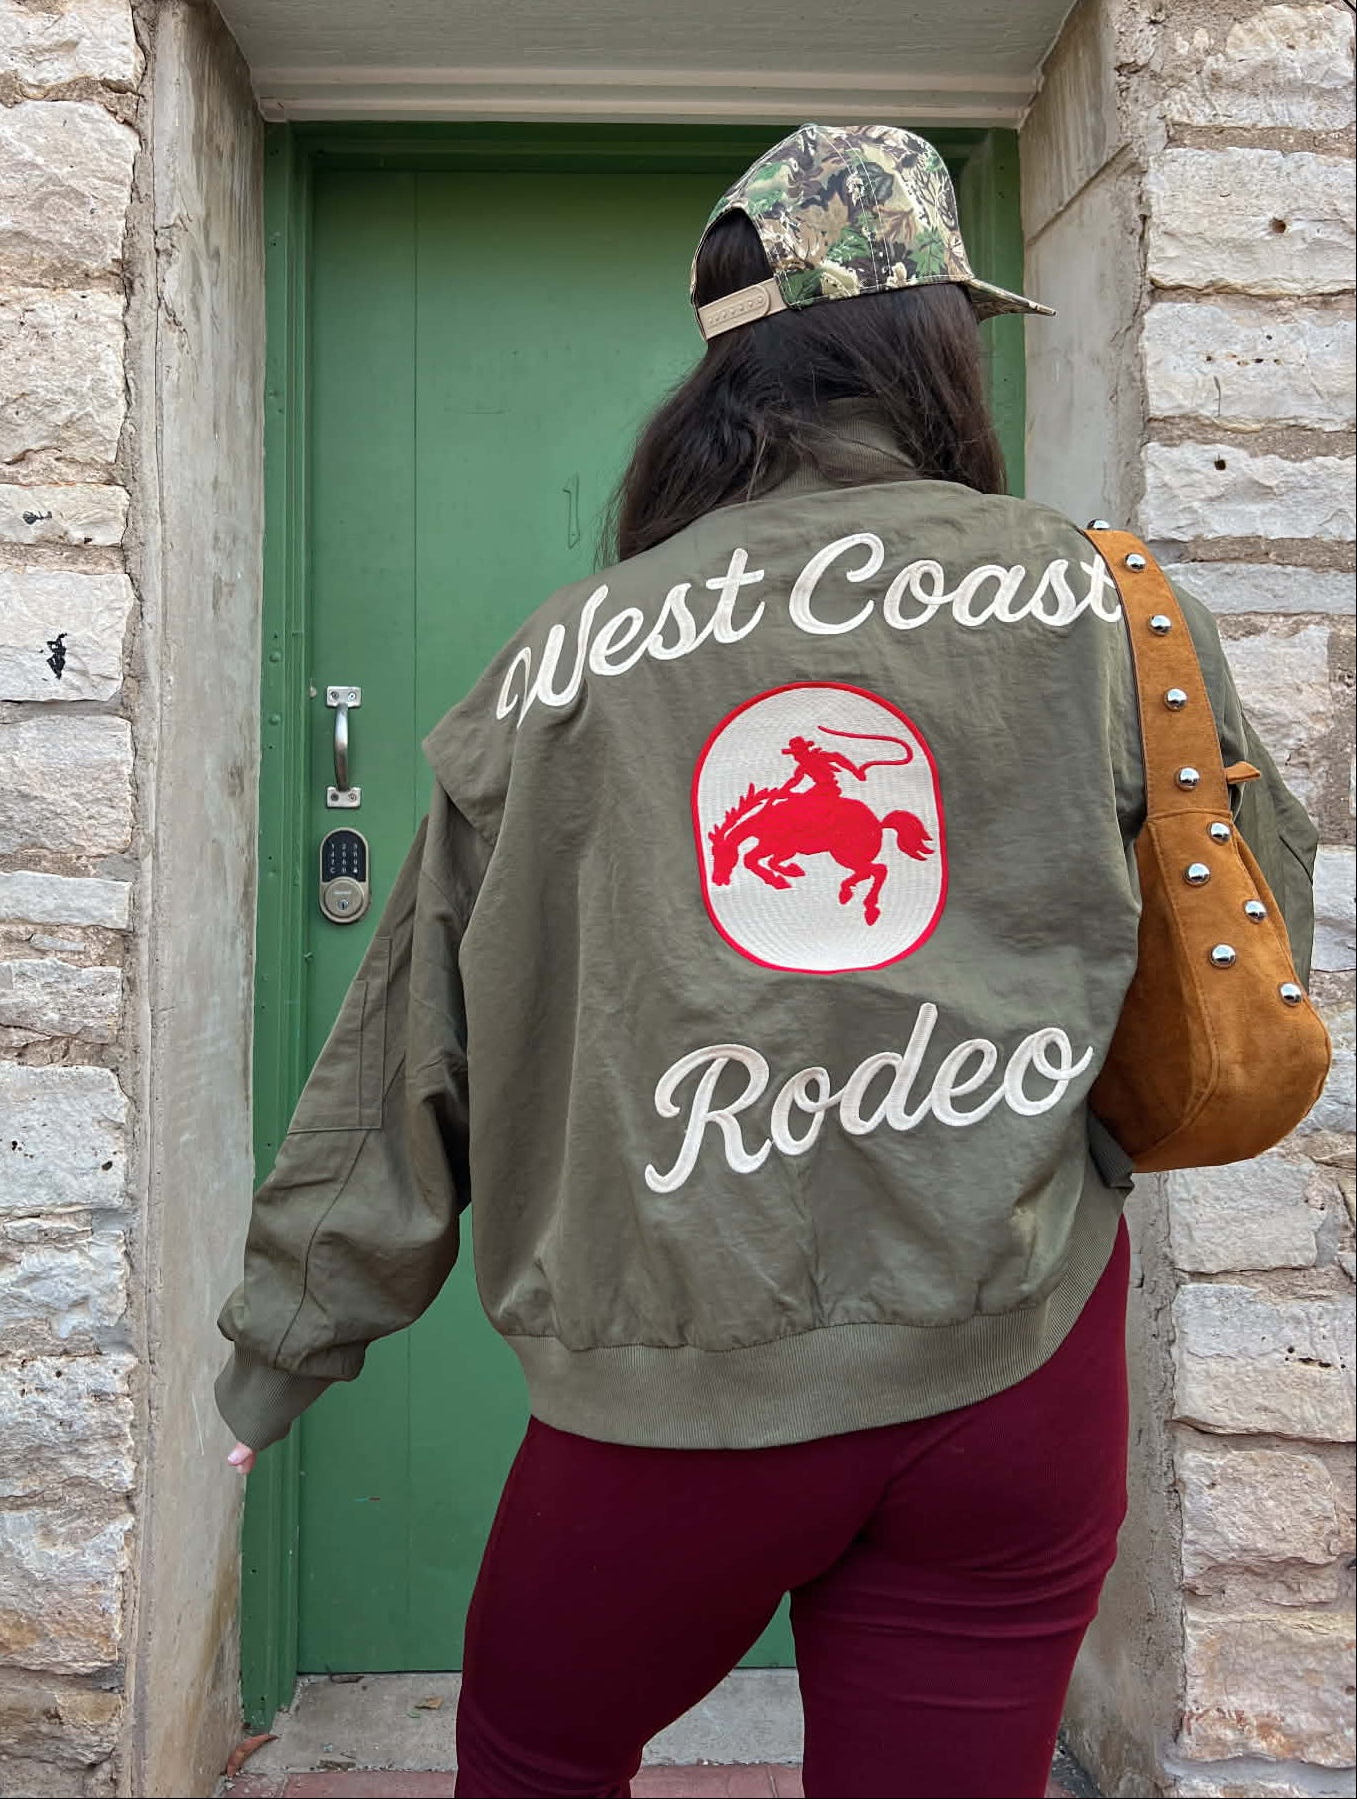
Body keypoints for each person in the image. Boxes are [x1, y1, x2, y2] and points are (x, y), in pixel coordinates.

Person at [214, 124, 1318, 1799]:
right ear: (940, 343)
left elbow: (408, 1049)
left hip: (674, 1385)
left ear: (725, 365)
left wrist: (286, 1345)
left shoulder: (567, 659)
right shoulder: (1106, 603)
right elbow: (1252, 911)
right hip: (1014, 1358)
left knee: (535, 1757)